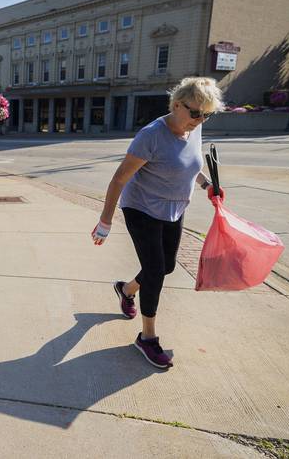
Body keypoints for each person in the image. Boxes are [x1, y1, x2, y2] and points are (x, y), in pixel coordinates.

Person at [91, 77, 225, 369]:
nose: (200, 120)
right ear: (176, 104)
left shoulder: (194, 127)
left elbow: (189, 168)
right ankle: (147, 337)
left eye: (206, 114)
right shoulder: (151, 135)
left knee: (166, 266)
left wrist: (206, 186)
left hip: (173, 208)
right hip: (141, 207)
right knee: (155, 270)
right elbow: (119, 179)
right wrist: (105, 222)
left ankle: (126, 289)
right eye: (195, 113)